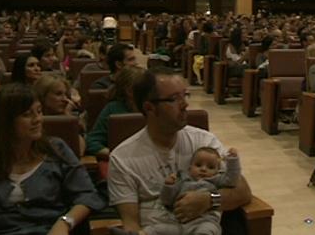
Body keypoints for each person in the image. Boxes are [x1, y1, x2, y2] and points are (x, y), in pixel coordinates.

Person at [0, 83, 105, 235]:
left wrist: (65, 223)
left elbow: (87, 196)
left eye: (39, 111)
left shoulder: (56, 149)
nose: (37, 119)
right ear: (5, 121)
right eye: (27, 114)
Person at [108, 67, 252, 232]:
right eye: (174, 99)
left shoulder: (204, 142)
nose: (185, 104)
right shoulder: (123, 158)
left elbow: (243, 191)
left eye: (185, 95)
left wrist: (209, 200)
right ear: (149, 108)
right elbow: (130, 223)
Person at [85, 66, 146, 158]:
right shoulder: (113, 109)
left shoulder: (154, 108)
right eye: (146, 88)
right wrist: (114, 155)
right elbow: (92, 142)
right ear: (129, 91)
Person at [34, 73, 86, 154]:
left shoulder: (70, 117)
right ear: (42, 96)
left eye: (66, 95)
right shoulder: (33, 120)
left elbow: (80, 151)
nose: (65, 99)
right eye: (58, 94)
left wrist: (67, 117)